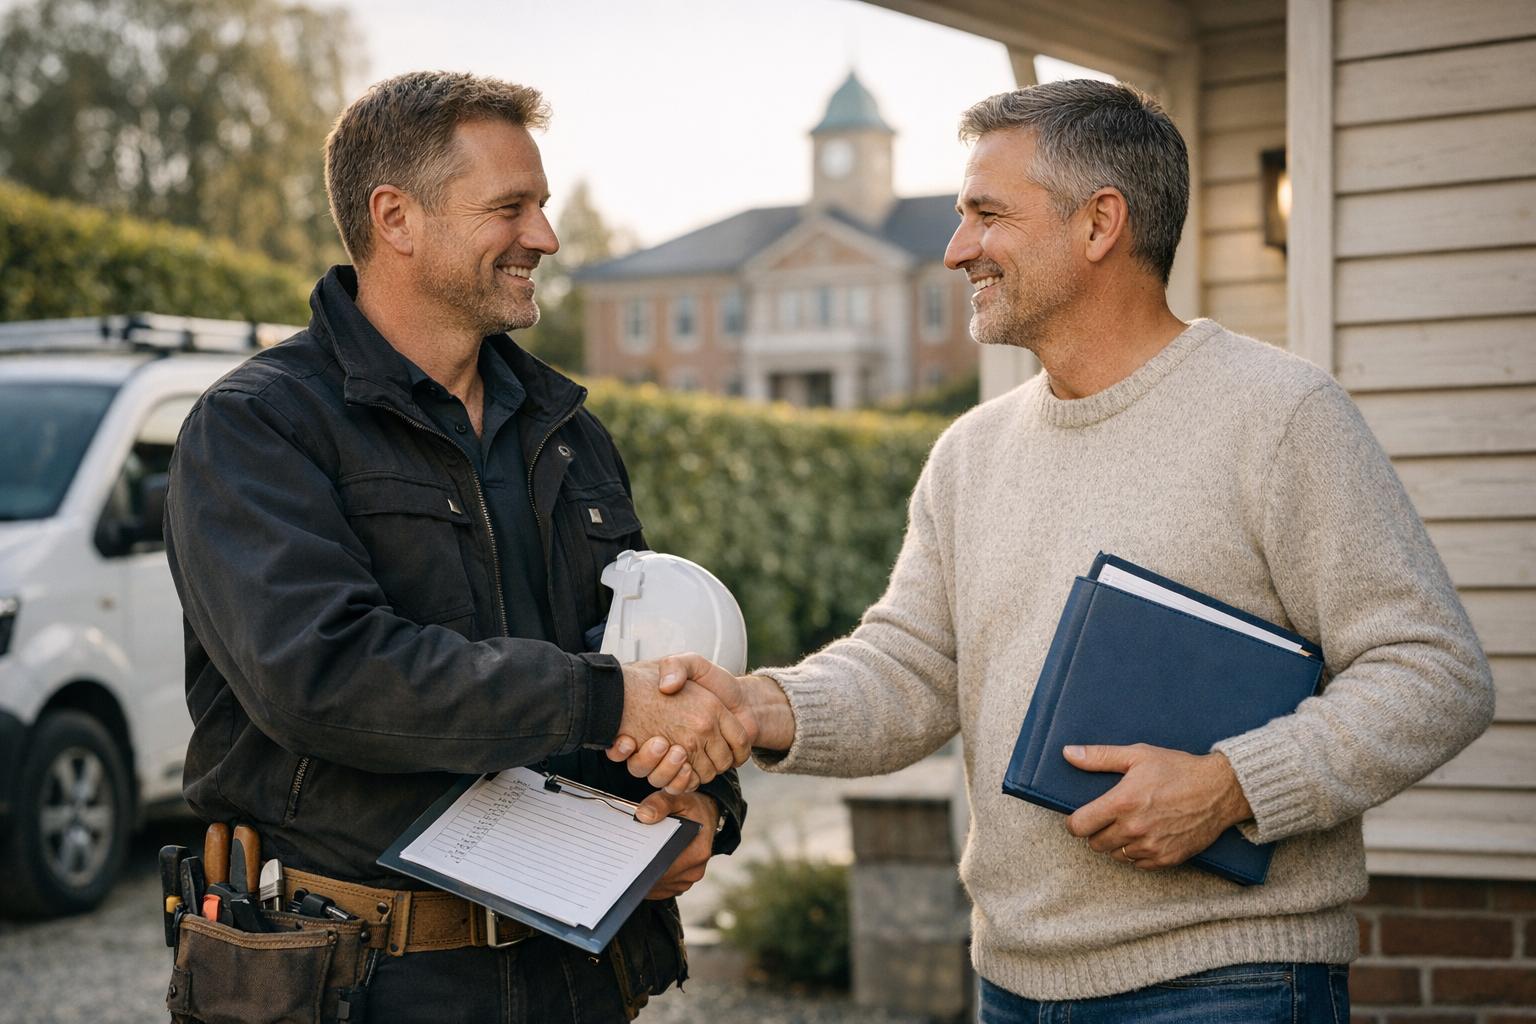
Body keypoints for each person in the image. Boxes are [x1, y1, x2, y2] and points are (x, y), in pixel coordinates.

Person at [616, 80, 1494, 1022]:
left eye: (987, 216)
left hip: (1229, 985)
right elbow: (914, 670)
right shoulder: (970, 452)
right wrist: (758, 706)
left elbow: (1435, 672)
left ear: (1100, 224)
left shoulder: (1280, 417)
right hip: (1014, 985)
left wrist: (1231, 786)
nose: (958, 251)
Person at [164, 70, 747, 1023]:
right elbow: (323, 677)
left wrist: (707, 808)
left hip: (579, 979)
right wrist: (604, 702)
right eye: (510, 208)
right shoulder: (257, 429)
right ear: (396, 216)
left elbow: (651, 658)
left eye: (544, 207)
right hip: (366, 982)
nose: (546, 238)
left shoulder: (567, 430)